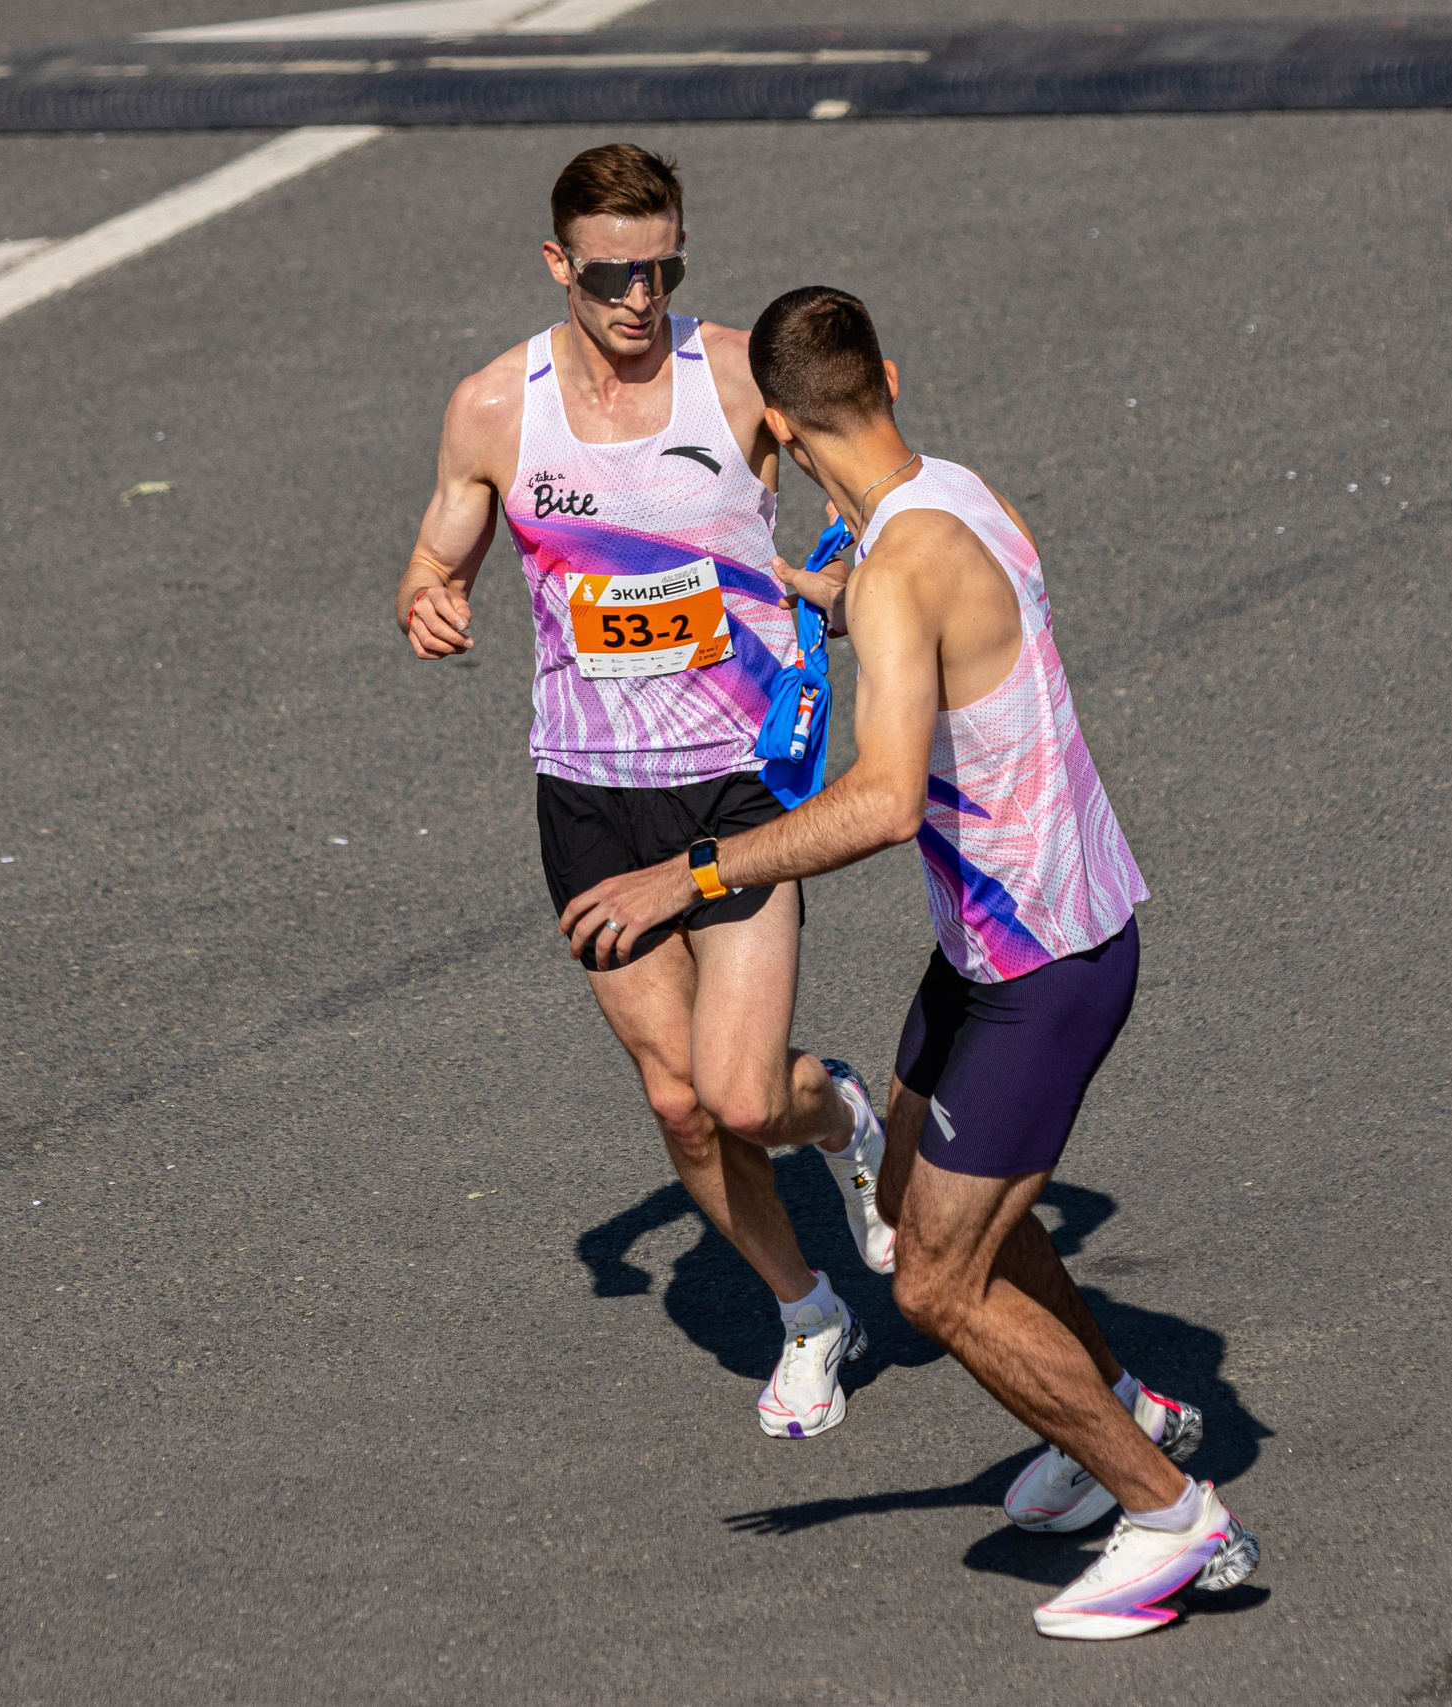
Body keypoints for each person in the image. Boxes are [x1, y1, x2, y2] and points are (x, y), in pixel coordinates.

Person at [556, 286, 1260, 1639]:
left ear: (775, 424)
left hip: (1040, 962)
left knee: (937, 1278)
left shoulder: (893, 573)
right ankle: (1112, 1407)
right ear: (888, 375)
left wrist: (692, 873)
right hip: (1011, 942)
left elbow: (879, 802)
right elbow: (958, 614)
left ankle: (1174, 1518)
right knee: (916, 1176)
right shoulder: (949, 496)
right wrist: (843, 595)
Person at [396, 148, 893, 1441]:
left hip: (737, 785)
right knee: (676, 1100)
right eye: (612, 273)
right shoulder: (498, 408)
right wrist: (429, 594)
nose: (639, 296)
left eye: (662, 266)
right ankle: (808, 1313)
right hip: (588, 794)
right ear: (560, 265)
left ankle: (840, 1111)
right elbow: (442, 539)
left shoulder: (731, 374)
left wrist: (830, 575)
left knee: (741, 1096)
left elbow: (871, 470)